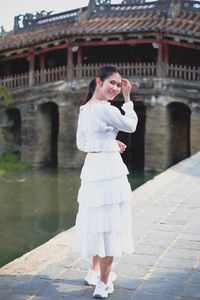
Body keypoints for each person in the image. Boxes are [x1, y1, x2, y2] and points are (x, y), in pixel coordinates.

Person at [73, 65, 138, 299]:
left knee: (96, 219)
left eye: (120, 85)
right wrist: (128, 99)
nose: (116, 88)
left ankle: (93, 272)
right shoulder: (104, 108)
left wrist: (110, 144)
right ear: (98, 81)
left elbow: (82, 143)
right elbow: (130, 125)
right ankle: (102, 284)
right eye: (112, 82)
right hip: (109, 169)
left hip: (92, 167)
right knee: (110, 224)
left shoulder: (85, 109)